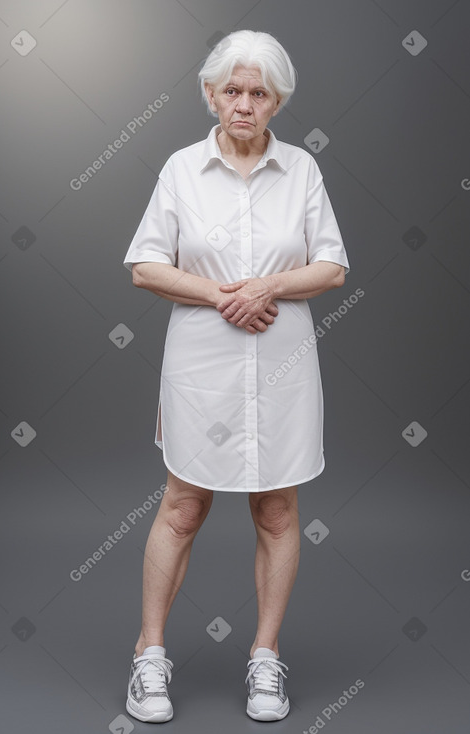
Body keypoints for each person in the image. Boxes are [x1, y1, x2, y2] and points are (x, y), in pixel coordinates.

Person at [122, 29, 350, 723]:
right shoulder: (181, 170)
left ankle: (264, 658)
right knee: (183, 506)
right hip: (201, 363)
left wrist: (269, 286)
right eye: (231, 91)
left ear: (276, 100)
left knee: (276, 510)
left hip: (281, 363)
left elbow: (332, 266)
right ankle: (149, 657)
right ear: (209, 95)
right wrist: (227, 296)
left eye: (257, 93)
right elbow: (145, 265)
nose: (243, 104)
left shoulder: (301, 171)